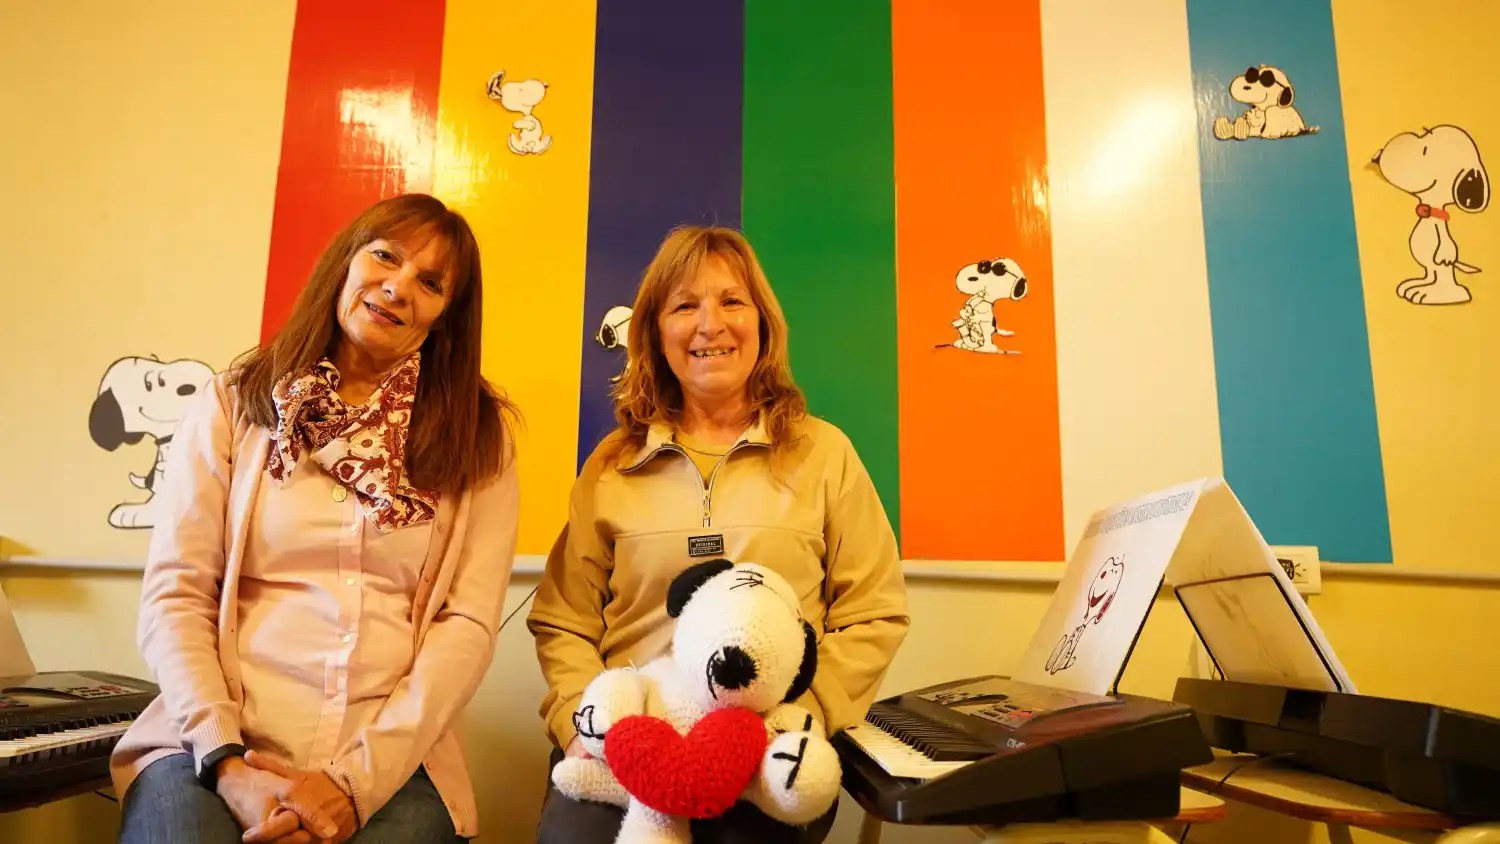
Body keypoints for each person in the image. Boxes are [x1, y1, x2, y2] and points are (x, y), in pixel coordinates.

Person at [111, 194, 522, 844]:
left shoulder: (477, 436)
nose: (397, 287)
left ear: (447, 314)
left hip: (388, 760)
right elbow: (177, 594)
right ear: (346, 260)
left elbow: (466, 626)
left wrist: (352, 786)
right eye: (385, 255)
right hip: (215, 741)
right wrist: (228, 764)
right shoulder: (234, 401)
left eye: (430, 282)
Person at [527, 225, 910, 842]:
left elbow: (875, 612)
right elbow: (563, 622)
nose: (711, 325)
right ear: (655, 330)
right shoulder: (610, 464)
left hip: (766, 752)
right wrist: (585, 722)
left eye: (732, 301)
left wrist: (800, 719)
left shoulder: (825, 454)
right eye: (685, 306)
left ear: (763, 322)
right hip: (626, 745)